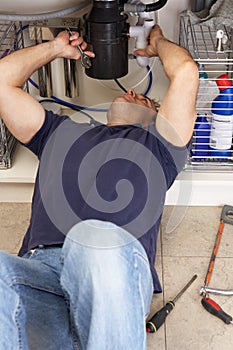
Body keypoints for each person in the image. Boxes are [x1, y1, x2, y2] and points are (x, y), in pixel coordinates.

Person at [0, 25, 199, 350]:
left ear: (155, 119)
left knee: (91, 236)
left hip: (109, 260)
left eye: (147, 100)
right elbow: (2, 81)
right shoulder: (55, 133)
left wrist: (157, 43)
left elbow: (186, 72)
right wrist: (56, 49)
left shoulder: (163, 148)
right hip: (40, 273)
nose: (134, 94)